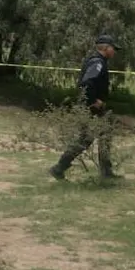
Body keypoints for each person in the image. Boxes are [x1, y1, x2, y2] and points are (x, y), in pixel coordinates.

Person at [48, 34, 121, 181]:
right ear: (106, 47)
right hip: (91, 108)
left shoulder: (99, 61)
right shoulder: (97, 62)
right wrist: (94, 101)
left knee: (104, 135)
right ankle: (59, 167)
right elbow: (87, 82)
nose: (115, 52)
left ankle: (106, 172)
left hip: (92, 107)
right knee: (86, 139)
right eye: (113, 48)